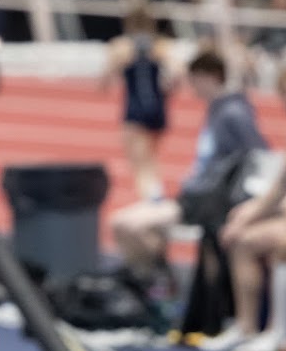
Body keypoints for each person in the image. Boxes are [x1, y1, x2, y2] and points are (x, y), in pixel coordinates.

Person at [111, 49, 266, 282]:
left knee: (127, 225)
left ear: (209, 77)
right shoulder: (218, 110)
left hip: (207, 202)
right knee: (126, 224)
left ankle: (159, 283)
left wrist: (244, 203)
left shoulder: (232, 113)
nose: (192, 88)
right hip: (197, 196)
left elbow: (258, 156)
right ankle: (157, 280)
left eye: (194, 81)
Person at [214, 62, 286, 351]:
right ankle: (247, 326)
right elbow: (281, 185)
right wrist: (247, 216)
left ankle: (280, 330)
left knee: (274, 242)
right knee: (241, 236)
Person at [101, 6, 174, 200]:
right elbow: (176, 77)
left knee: (140, 165)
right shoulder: (160, 46)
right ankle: (155, 196)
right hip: (157, 109)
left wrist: (120, 64)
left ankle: (151, 202)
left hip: (135, 110)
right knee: (152, 161)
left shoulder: (122, 47)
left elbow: (104, 82)